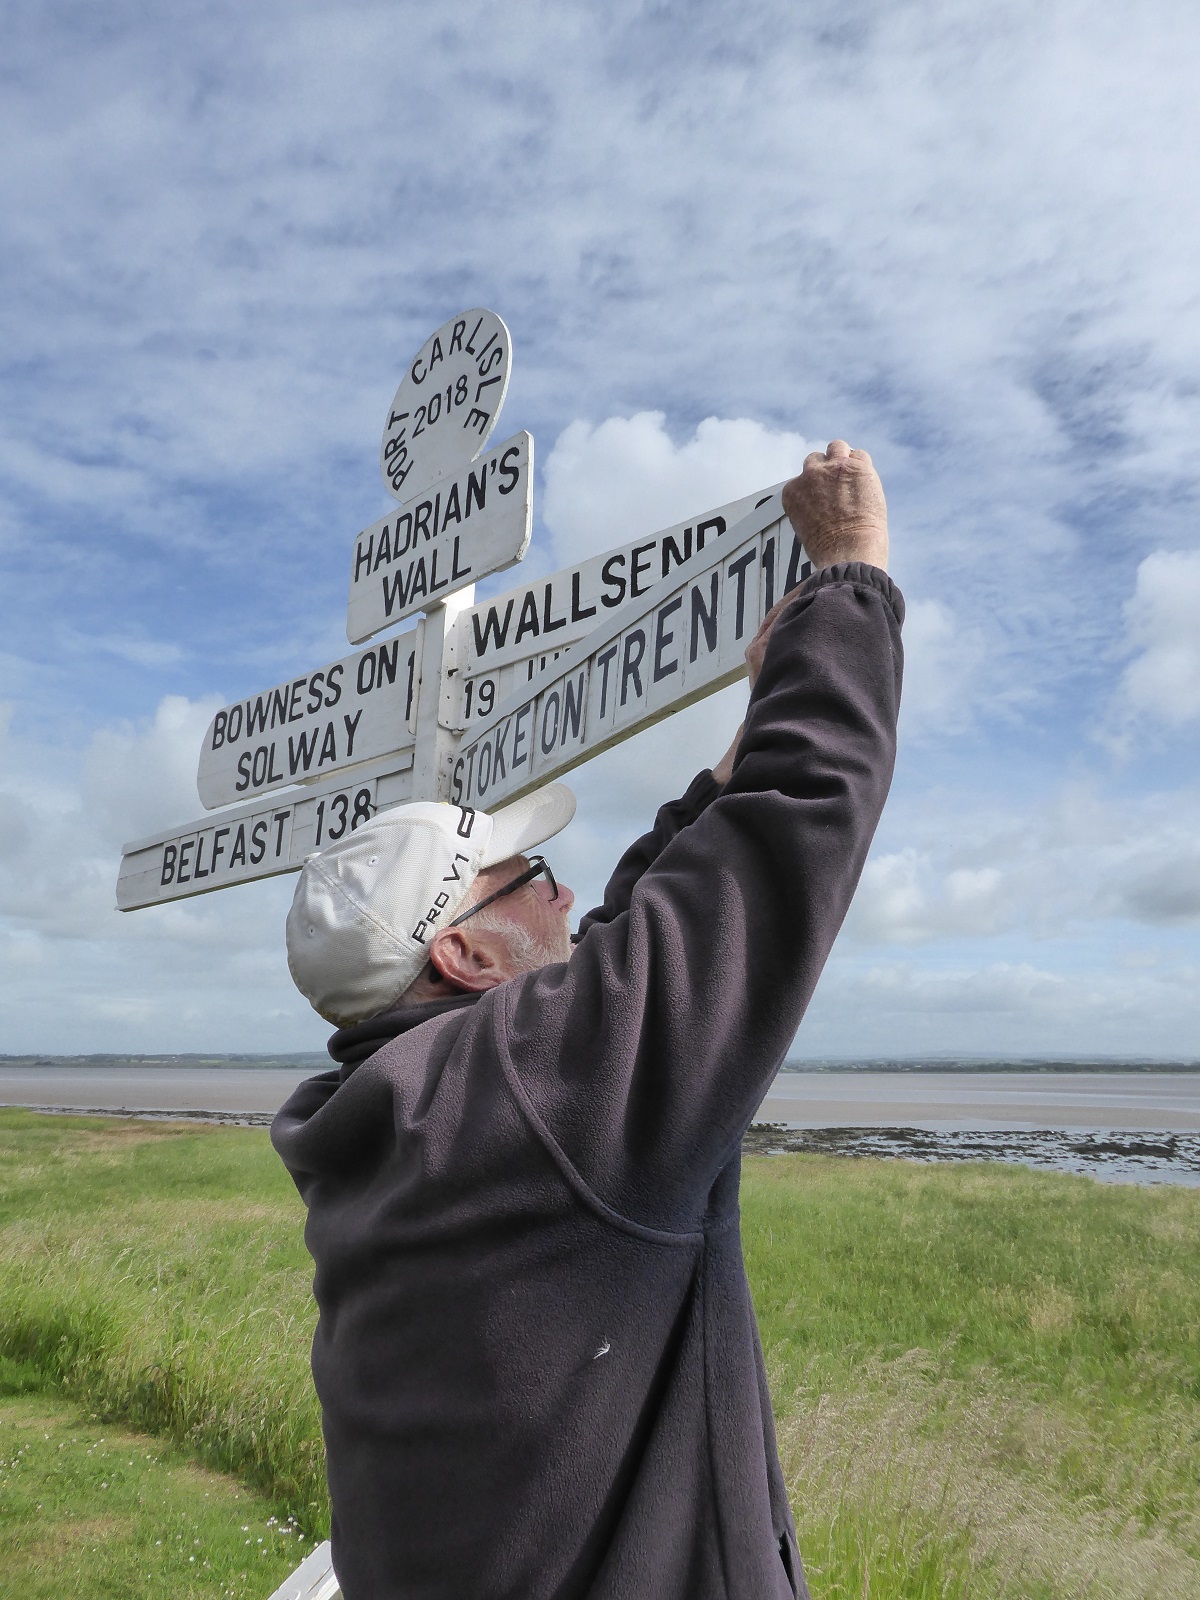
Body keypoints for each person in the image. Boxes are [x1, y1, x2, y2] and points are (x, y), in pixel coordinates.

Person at [272, 440, 902, 1600]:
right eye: (532, 881)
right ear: (463, 954)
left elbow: (615, 953)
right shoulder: (524, 1090)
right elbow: (784, 843)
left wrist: (724, 766)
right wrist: (851, 581)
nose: (563, 898)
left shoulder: (372, 1119)